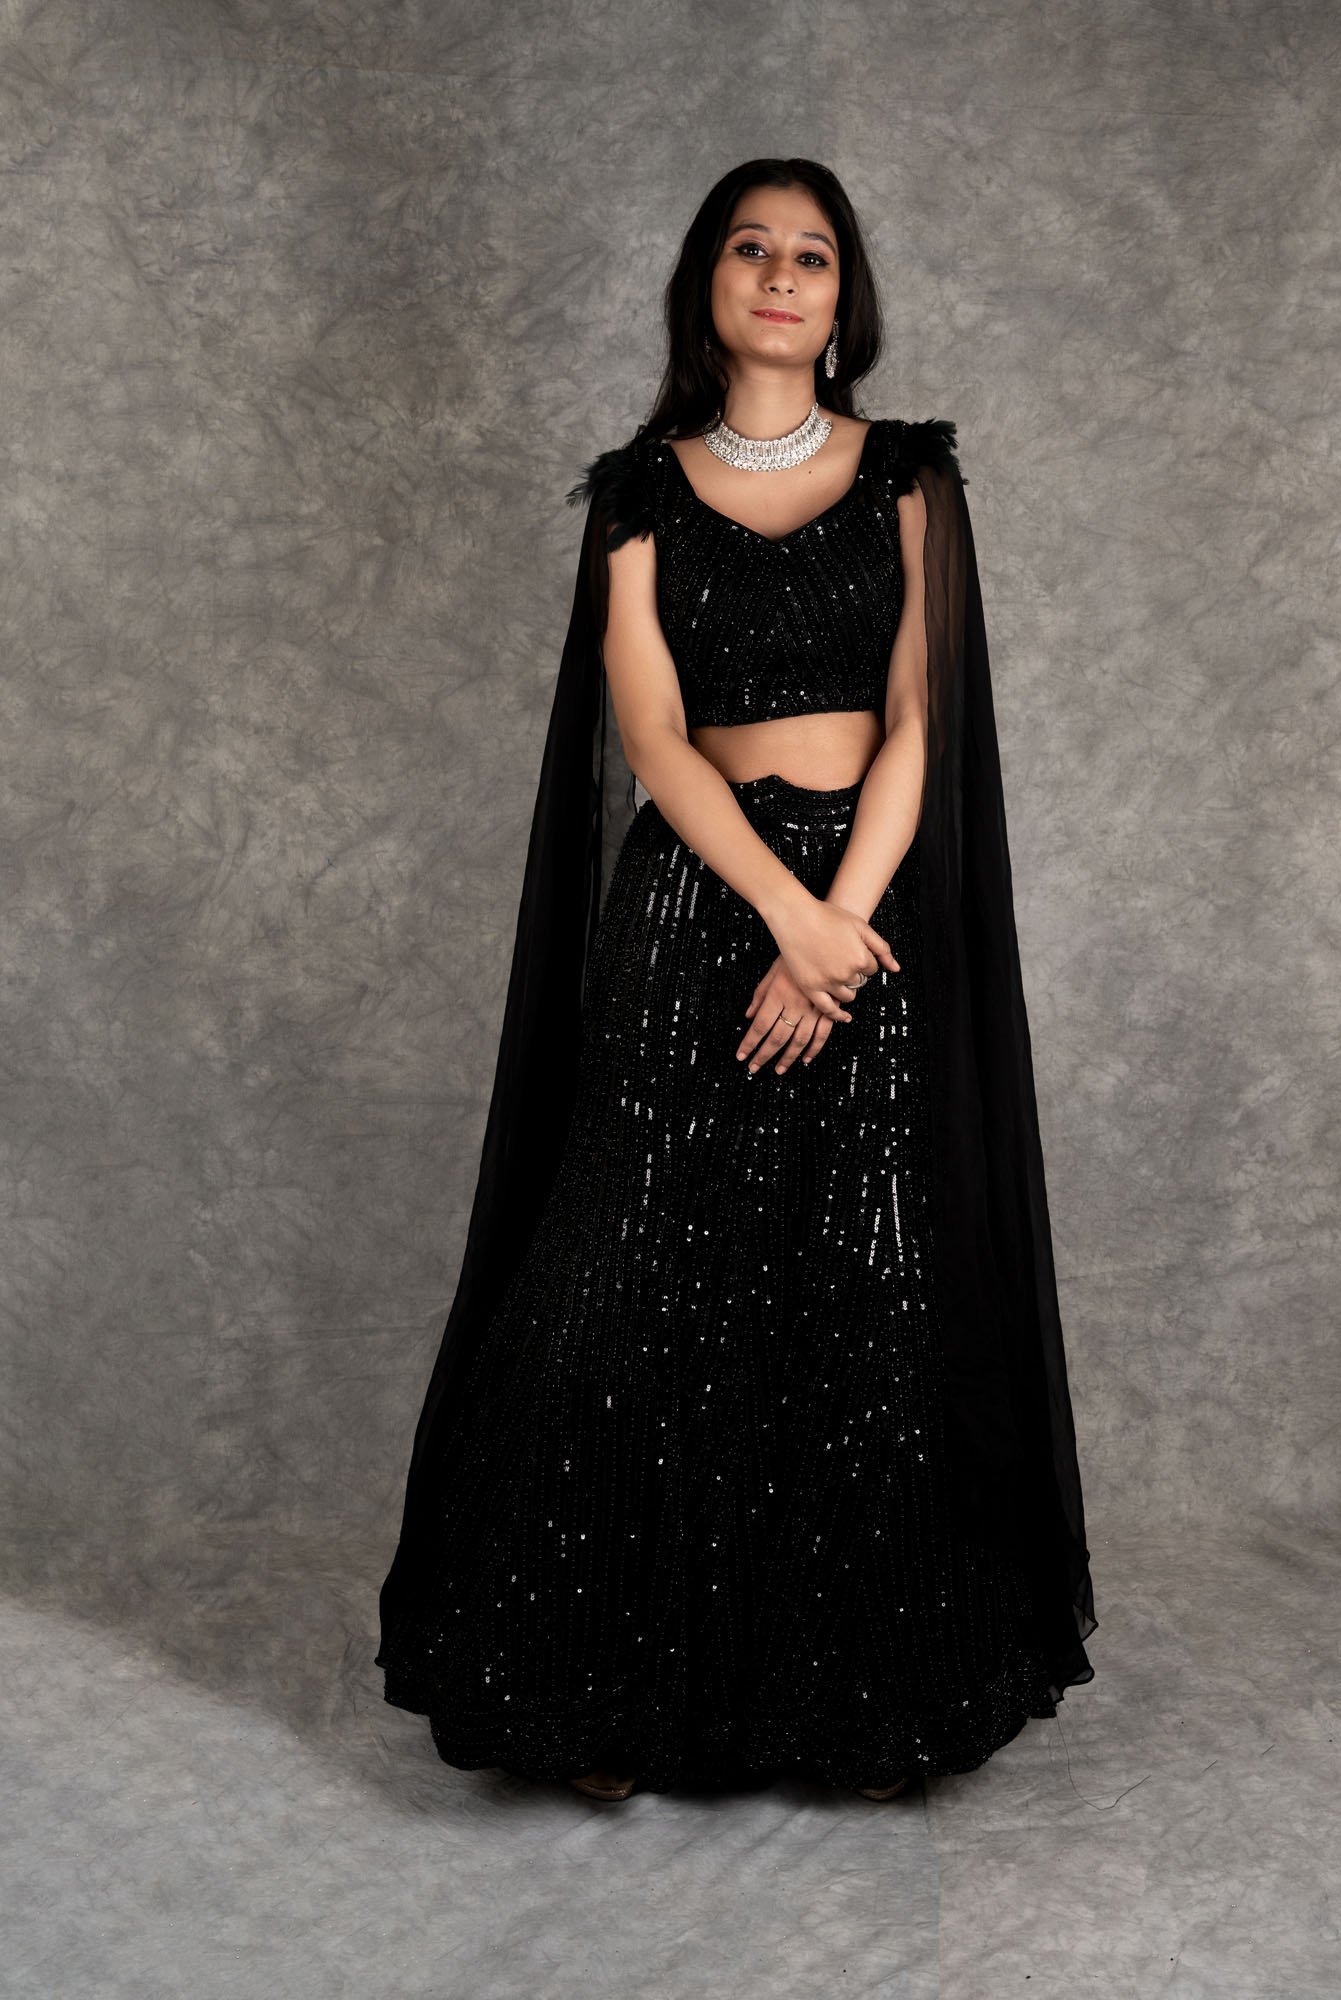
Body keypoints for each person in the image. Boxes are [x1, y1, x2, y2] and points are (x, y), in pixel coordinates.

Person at [374, 158, 1098, 1803]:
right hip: (702, 908)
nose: (780, 274)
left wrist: (838, 923)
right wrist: (781, 910)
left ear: (843, 300)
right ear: (706, 283)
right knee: (631, 1273)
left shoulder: (909, 475)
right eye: (751, 249)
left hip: (865, 907)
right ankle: (595, 1697)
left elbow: (920, 717)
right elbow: (648, 733)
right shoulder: (638, 491)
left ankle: (853, 1704)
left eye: (812, 255)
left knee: (858, 1286)